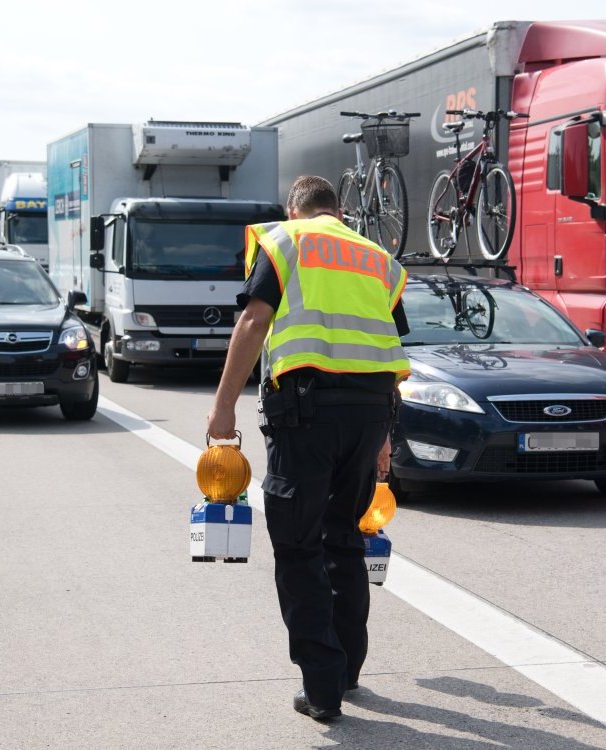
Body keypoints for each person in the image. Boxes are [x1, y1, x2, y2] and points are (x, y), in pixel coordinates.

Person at [207, 175, 410, 721]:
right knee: (343, 538)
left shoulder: (286, 241)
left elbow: (253, 320)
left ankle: (322, 688)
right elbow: (388, 349)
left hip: (306, 412)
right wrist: (385, 439)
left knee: (298, 546)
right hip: (369, 416)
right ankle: (347, 671)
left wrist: (223, 408)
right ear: (337, 210)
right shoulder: (377, 257)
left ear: (293, 209)